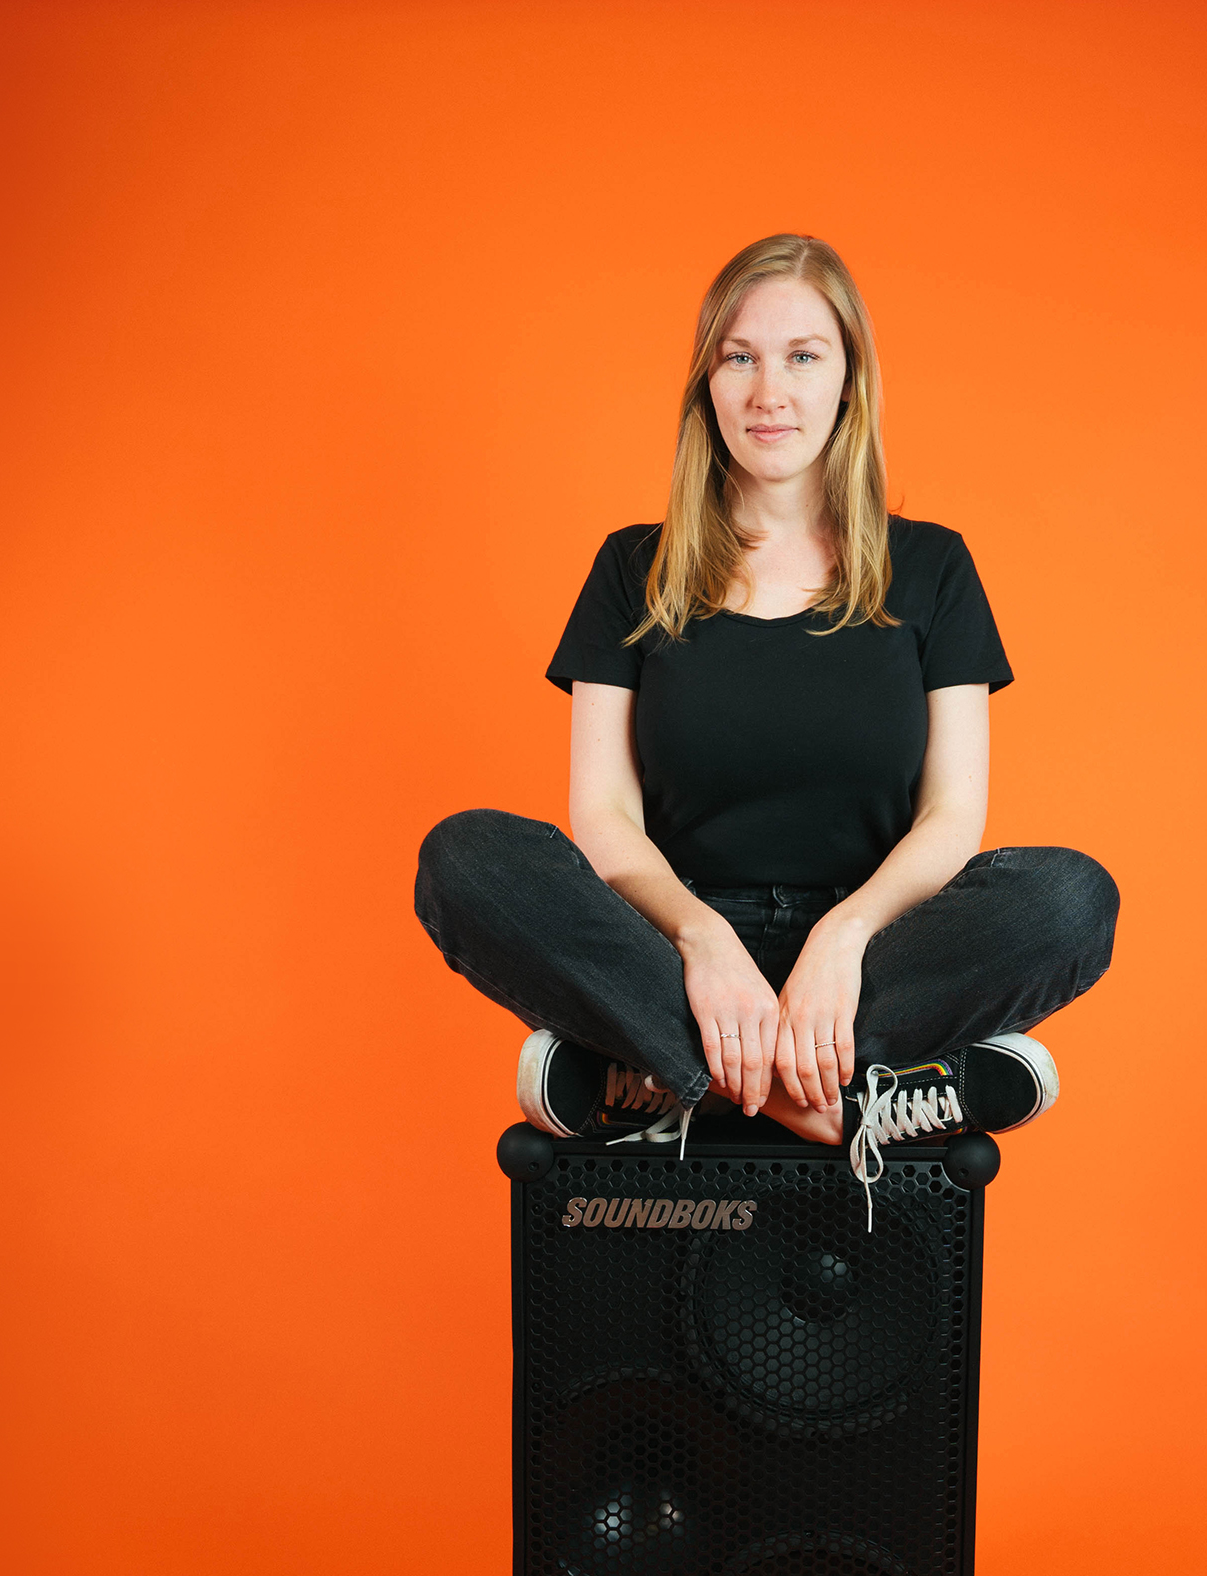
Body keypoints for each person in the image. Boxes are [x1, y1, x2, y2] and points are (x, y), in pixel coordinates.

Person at [414, 233, 1117, 1204]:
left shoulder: (933, 568)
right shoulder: (632, 567)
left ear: (847, 380)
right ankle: (849, 1099)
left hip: (875, 961)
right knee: (465, 860)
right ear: (706, 384)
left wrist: (843, 936)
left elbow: (951, 817)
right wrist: (702, 942)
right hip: (668, 950)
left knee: (1069, 898)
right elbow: (605, 818)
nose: (767, 392)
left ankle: (655, 1077)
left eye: (801, 356)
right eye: (737, 357)